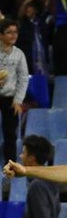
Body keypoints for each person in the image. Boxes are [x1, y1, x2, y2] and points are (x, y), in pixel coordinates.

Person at [0, 17, 30, 164]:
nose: (13, 35)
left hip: (10, 98)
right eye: (9, 32)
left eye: (15, 32)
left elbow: (24, 78)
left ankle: (10, 166)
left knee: (10, 134)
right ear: (1, 35)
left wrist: (18, 100)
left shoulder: (19, 54)